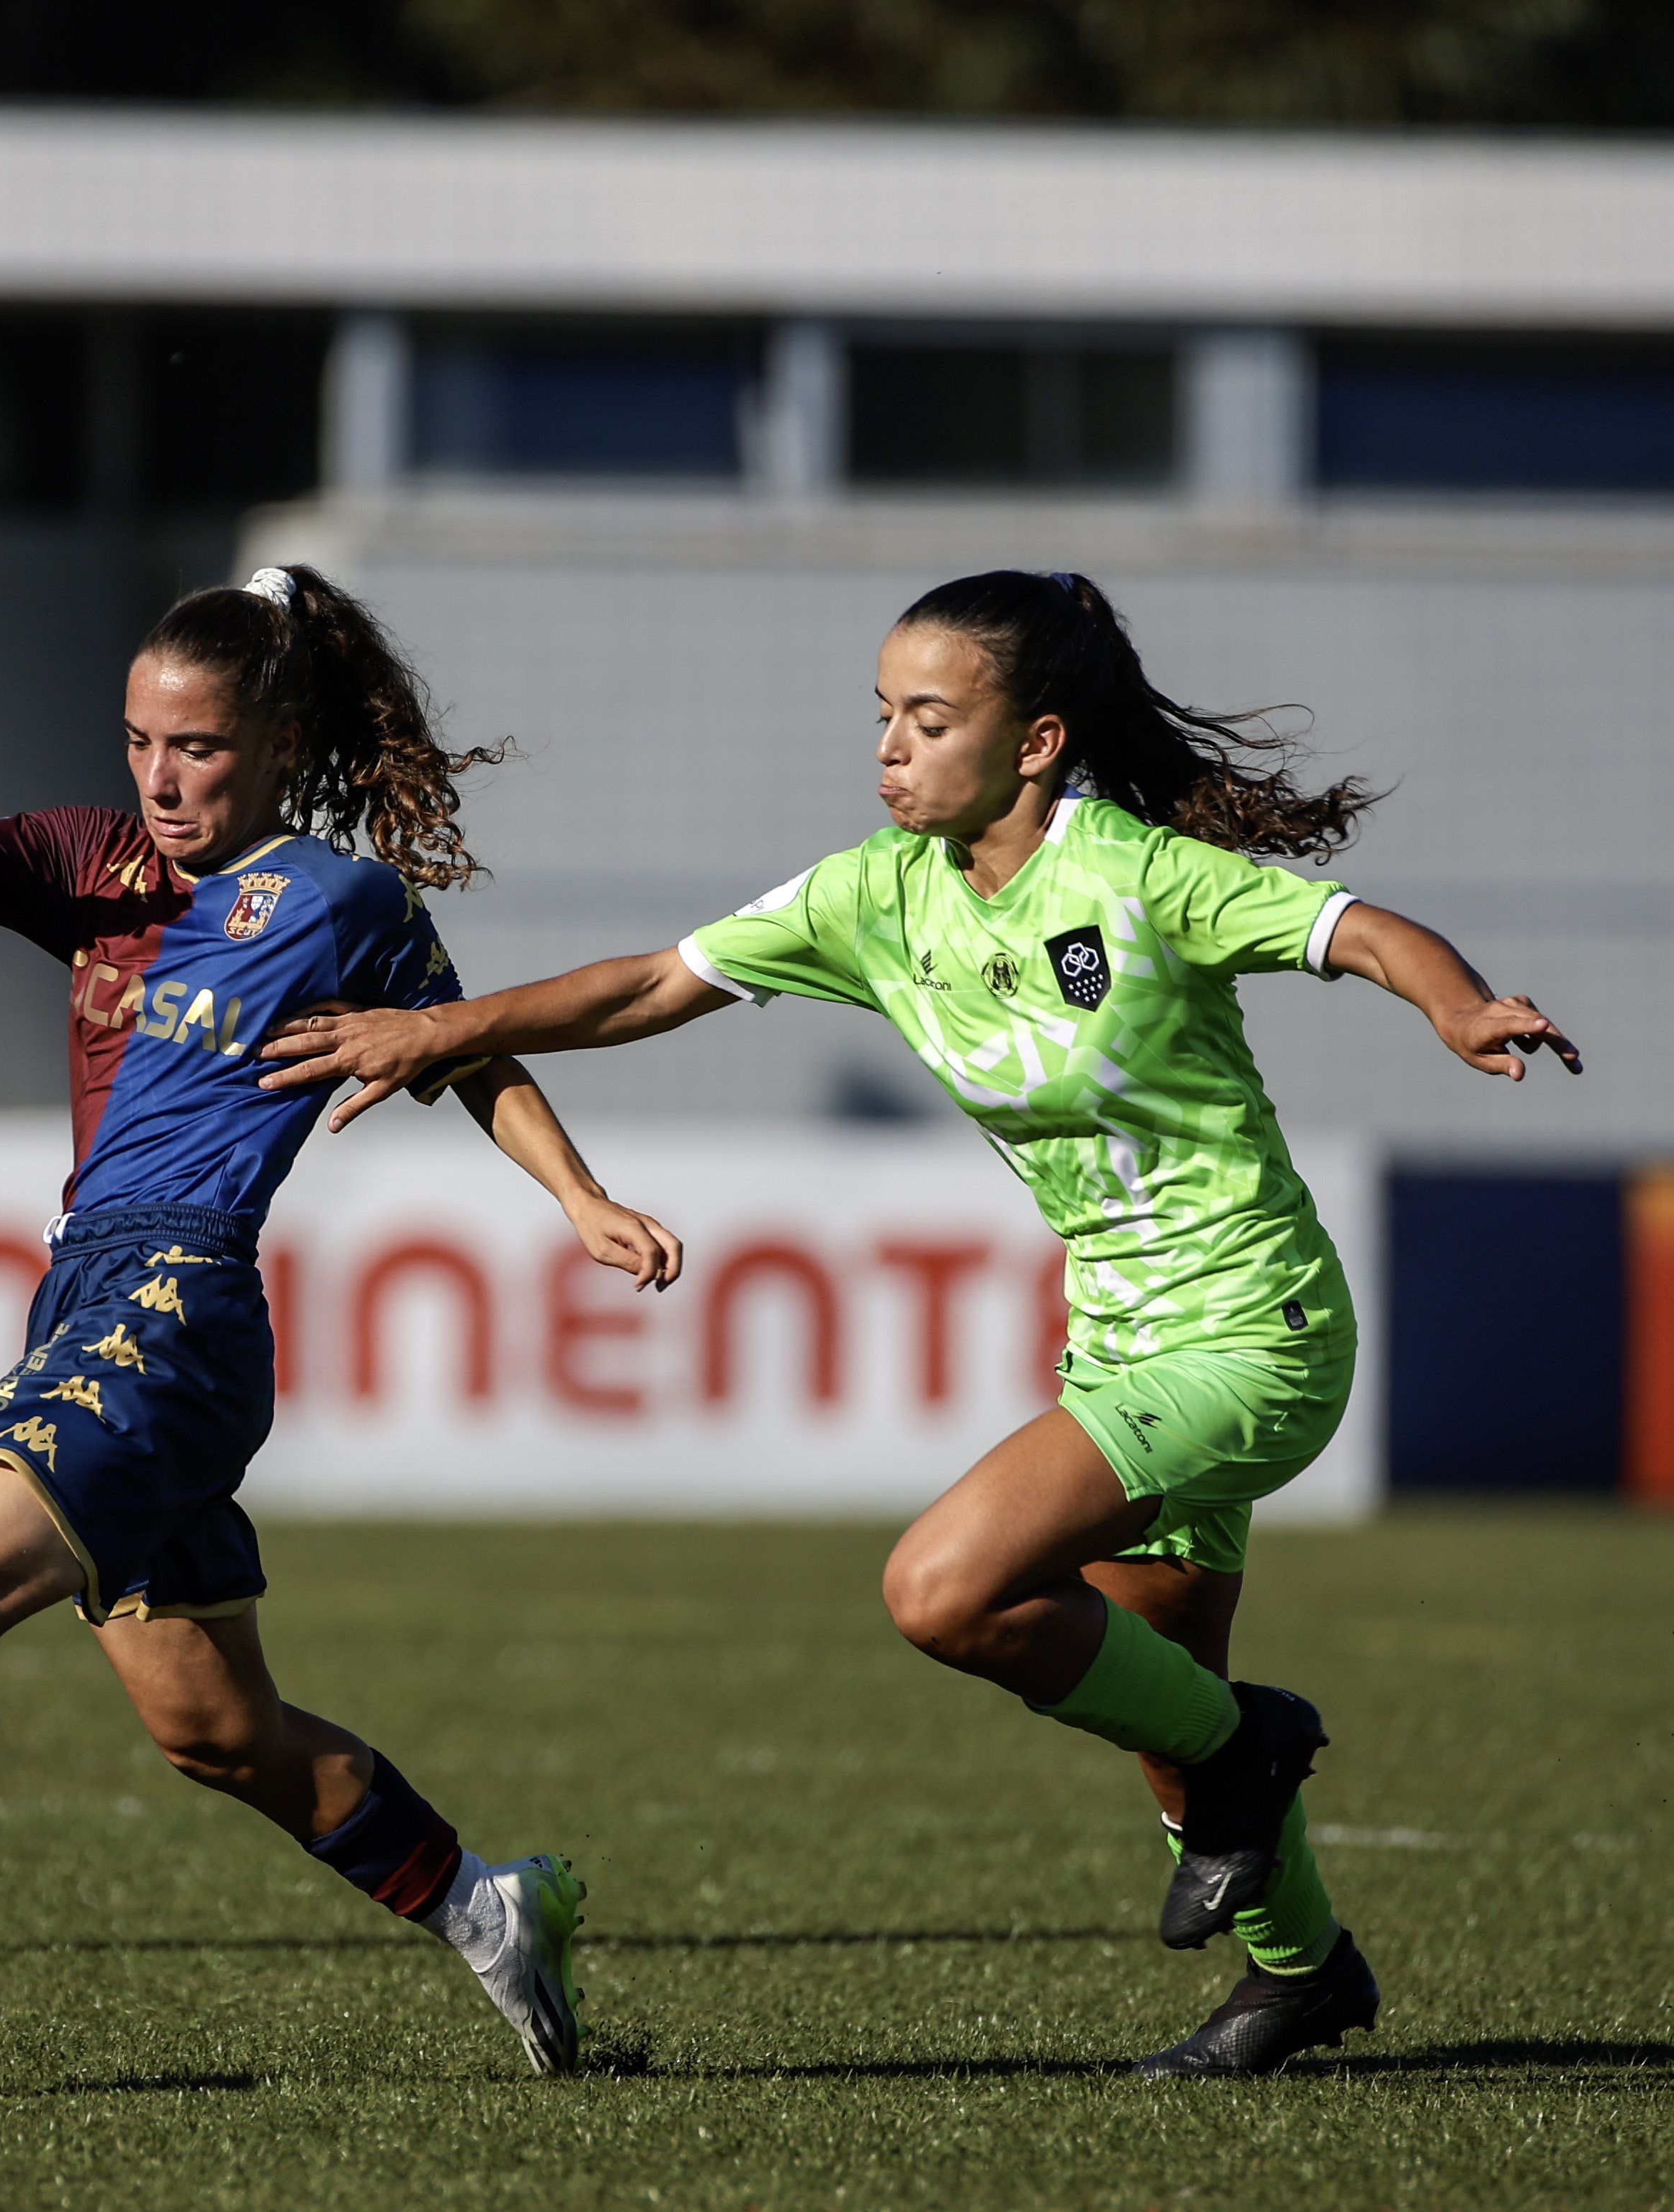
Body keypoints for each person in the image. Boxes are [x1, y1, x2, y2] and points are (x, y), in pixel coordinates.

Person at [262, 569, 1582, 2078]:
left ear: (1032, 742)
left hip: (1255, 1327)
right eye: (880, 714)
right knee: (1159, 1709)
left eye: (927, 717)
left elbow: (1353, 928)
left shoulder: (1137, 872)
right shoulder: (871, 896)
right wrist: (446, 1023)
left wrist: (1456, 1005)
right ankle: (1300, 1970)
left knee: (943, 1587)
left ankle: (1249, 1743)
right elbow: (646, 983)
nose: (888, 746)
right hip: (1119, 1338)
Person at [0, 566, 684, 2076]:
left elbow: (463, 1052)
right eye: (138, 743)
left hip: (173, 1297)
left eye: (197, 748)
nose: (161, 779)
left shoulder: (336, 900)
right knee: (213, 1728)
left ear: (278, 740)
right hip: (91, 1296)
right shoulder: (88, 864)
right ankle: (486, 1906)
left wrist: (576, 1196)